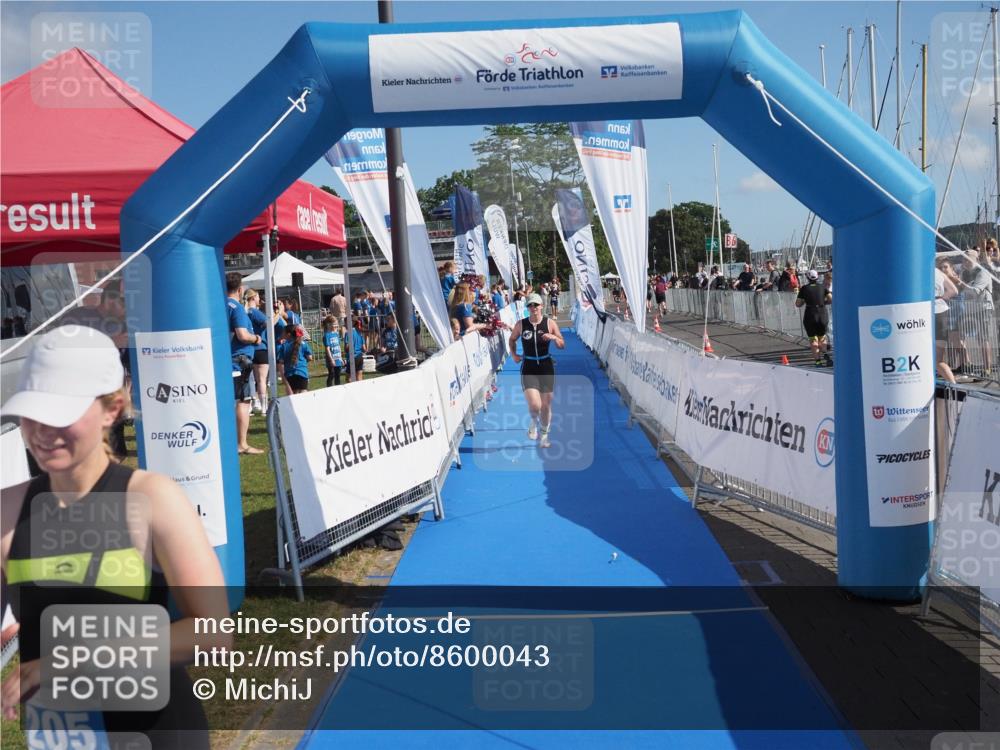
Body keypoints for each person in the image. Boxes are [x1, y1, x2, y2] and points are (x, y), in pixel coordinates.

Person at [1, 326, 230, 749]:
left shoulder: (152, 498)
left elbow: (214, 632)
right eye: (32, 413)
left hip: (154, 733)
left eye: (62, 414)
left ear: (113, 409)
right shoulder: (7, 510)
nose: (42, 430)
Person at [508, 294, 565, 449]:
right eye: (530, 305)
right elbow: (512, 339)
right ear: (527, 308)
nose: (533, 308)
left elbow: (562, 344)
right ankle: (533, 422)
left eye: (536, 305)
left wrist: (553, 337)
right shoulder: (521, 324)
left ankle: (544, 436)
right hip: (529, 366)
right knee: (535, 405)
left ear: (541, 306)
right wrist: (514, 355)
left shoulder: (549, 323)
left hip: (546, 366)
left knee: (546, 405)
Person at [226, 272, 263, 454]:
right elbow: (242, 334)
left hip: (227, 359)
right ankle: (242, 444)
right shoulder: (237, 308)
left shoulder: (220, 305)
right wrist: (255, 338)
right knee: (243, 400)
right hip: (239, 361)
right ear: (240, 289)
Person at [795, 269, 833, 367]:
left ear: (808, 278)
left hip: (810, 314)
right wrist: (823, 302)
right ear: (817, 277)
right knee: (822, 336)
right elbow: (830, 299)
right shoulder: (822, 287)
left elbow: (798, 304)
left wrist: (805, 301)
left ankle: (818, 362)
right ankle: (825, 354)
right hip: (822, 313)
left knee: (813, 339)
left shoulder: (804, 288)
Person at [243, 289, 270, 415]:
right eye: (258, 297)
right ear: (253, 298)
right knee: (262, 380)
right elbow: (269, 324)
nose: (260, 299)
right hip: (261, 348)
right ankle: (264, 407)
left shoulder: (245, 312)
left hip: (250, 349)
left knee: (252, 380)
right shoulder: (255, 312)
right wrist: (278, 314)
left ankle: (254, 404)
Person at [934, 257, 960, 383]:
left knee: (935, 359)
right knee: (938, 359)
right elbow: (954, 291)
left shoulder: (919, 271)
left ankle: (953, 386)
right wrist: (941, 298)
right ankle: (954, 386)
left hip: (929, 313)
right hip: (942, 313)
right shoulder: (939, 273)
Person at [276, 325, 312, 395]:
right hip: (302, 372)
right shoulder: (303, 343)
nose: (282, 334)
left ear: (288, 334)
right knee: (303, 393)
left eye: (283, 332)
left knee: (294, 395)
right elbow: (310, 357)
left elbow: (281, 361)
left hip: (289, 374)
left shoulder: (284, 346)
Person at [322, 316, 345, 387]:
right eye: (334, 324)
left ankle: (337, 390)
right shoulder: (326, 335)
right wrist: (331, 360)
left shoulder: (336, 334)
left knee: (338, 376)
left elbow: (338, 346)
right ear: (329, 324)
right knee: (331, 374)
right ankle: (329, 389)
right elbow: (327, 349)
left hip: (338, 358)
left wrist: (341, 358)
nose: (336, 326)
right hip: (331, 359)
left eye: (336, 324)